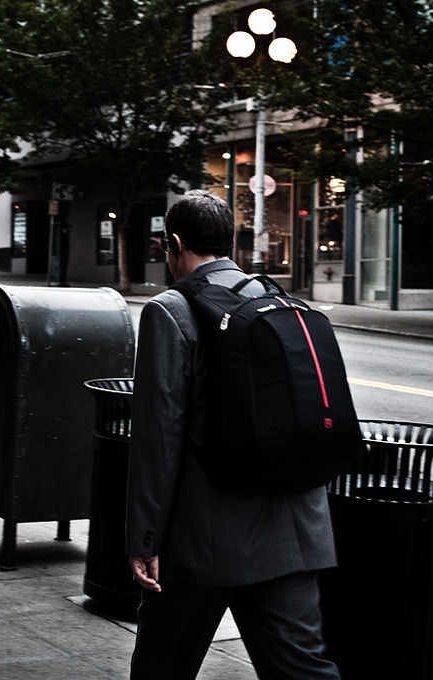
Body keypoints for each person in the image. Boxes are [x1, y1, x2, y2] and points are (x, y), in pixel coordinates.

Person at [126, 189, 340, 680]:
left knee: (161, 667)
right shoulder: (281, 301)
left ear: (173, 244)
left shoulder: (170, 311)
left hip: (204, 539)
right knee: (302, 669)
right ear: (230, 241)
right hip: (293, 531)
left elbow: (159, 441)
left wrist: (143, 538)